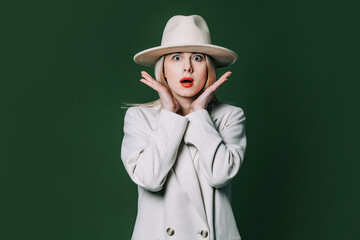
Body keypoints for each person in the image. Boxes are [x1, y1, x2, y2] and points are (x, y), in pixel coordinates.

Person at [121, 15, 247, 240]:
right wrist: (170, 114)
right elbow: (150, 179)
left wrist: (199, 114)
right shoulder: (139, 117)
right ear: (164, 70)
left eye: (197, 58)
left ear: (208, 68)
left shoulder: (230, 116)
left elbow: (220, 175)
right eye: (176, 58)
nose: (187, 68)